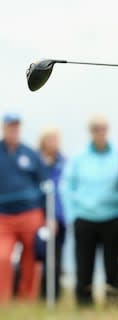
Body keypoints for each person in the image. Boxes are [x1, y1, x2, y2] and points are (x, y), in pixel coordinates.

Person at [60, 115, 118, 306]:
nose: (100, 132)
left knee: (113, 266)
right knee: (84, 266)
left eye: (103, 128)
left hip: (113, 217)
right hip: (85, 218)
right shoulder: (79, 158)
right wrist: (72, 215)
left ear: (108, 130)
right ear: (91, 131)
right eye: (96, 128)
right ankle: (84, 306)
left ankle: (114, 305)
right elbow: (66, 186)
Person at [0, 112, 47, 303]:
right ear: (4, 128)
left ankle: (27, 300)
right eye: (10, 126)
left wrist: (47, 217)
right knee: (2, 257)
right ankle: (3, 300)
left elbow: (44, 186)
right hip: (3, 216)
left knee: (31, 257)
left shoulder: (31, 154)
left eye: (16, 126)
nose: (14, 129)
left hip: (31, 214)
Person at [37, 127, 66, 301]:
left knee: (55, 259)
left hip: (58, 219)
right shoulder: (35, 162)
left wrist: (56, 217)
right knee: (38, 255)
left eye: (56, 139)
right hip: (38, 216)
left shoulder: (64, 163)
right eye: (50, 139)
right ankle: (35, 294)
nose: (53, 142)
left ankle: (53, 296)